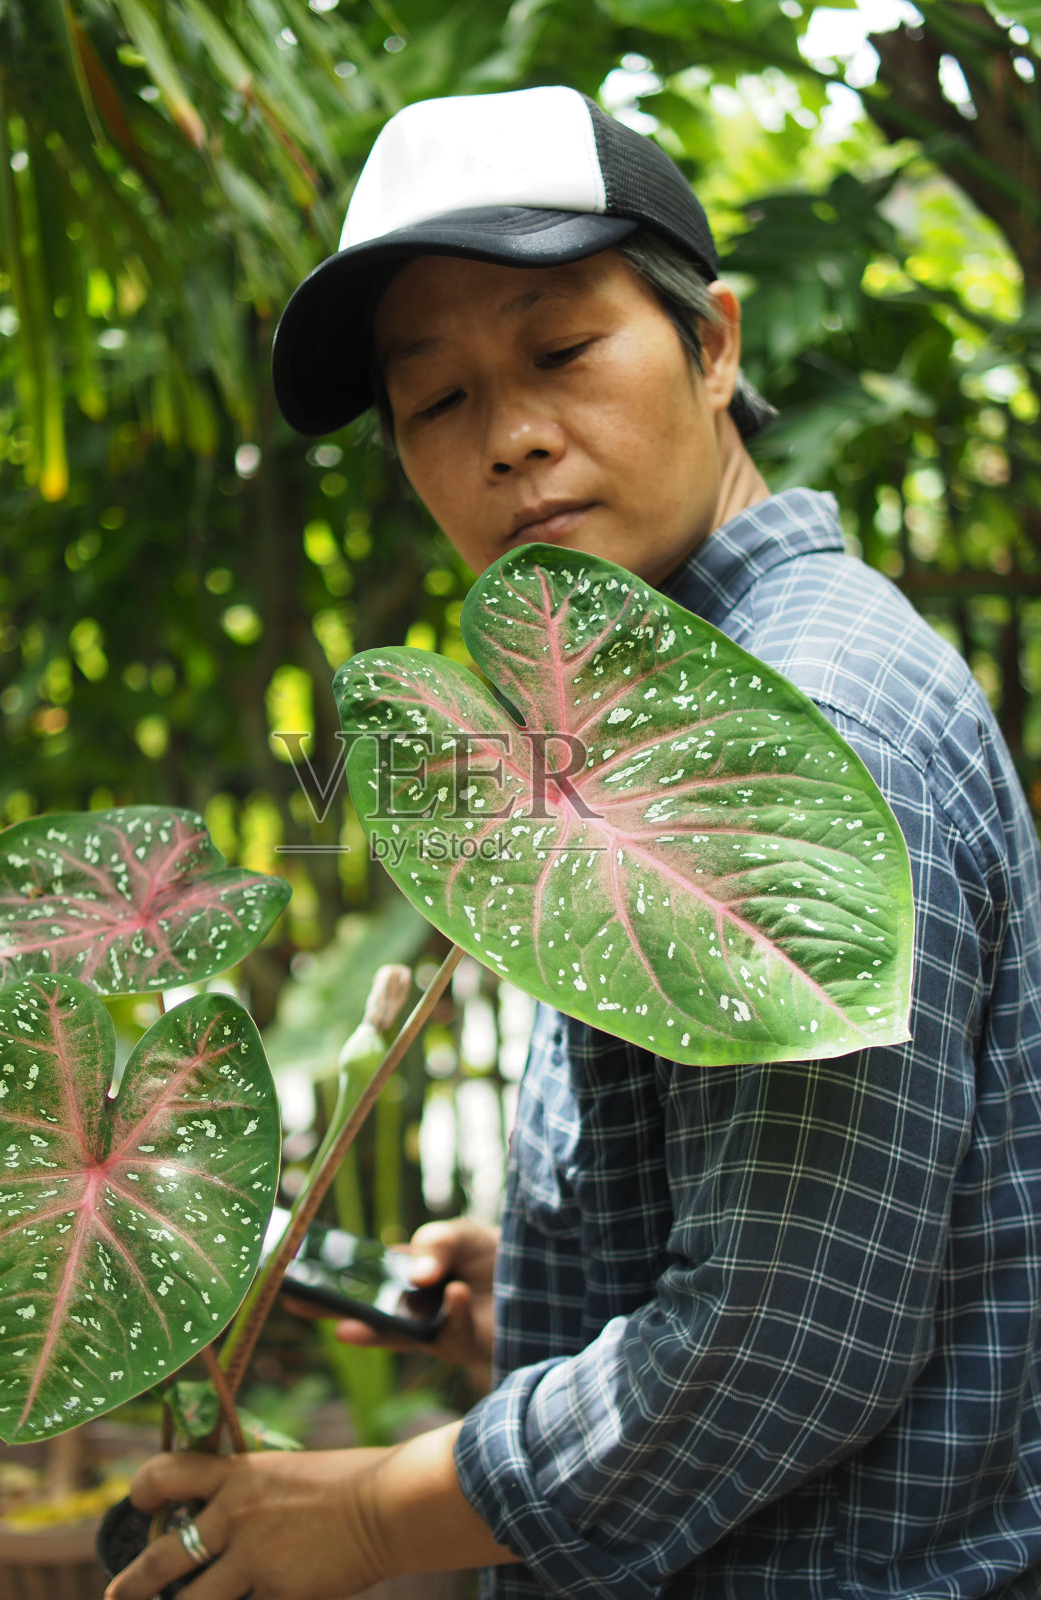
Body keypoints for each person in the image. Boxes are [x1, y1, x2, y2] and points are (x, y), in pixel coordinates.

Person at [107, 85, 1041, 1600]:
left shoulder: (803, 719)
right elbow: (821, 1230)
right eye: (437, 401)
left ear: (714, 342)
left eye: (560, 351)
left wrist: (363, 1518)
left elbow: (785, 1339)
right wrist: (556, 1278)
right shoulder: (662, 689)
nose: (514, 441)